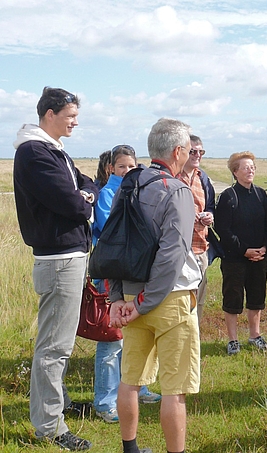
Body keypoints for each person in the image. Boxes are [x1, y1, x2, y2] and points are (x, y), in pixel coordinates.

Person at [109, 118, 201, 453]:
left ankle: (130, 449)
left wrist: (118, 298)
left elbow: (112, 243)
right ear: (178, 151)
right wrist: (144, 302)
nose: (191, 156)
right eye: (189, 151)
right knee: (173, 389)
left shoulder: (129, 184)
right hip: (169, 298)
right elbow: (171, 256)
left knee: (130, 379)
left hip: (131, 295)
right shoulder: (177, 191)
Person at [13, 87, 96, 450]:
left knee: (57, 343)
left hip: (68, 255)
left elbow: (87, 186)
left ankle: (57, 404)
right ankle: (50, 427)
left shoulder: (52, 151)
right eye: (70, 116)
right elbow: (72, 203)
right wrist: (82, 199)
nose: (75, 122)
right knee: (54, 347)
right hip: (58, 259)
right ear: (50, 114)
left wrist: (83, 196)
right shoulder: (34, 153)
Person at [91, 145, 161, 424]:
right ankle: (105, 400)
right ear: (111, 169)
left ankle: (138, 386)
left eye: (131, 166)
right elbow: (117, 230)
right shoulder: (108, 194)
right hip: (113, 275)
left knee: (136, 335)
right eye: (122, 166)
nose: (127, 171)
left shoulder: (139, 190)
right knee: (111, 341)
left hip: (135, 273)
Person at [214, 152, 267, 355]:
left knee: (257, 297)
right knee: (233, 298)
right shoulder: (227, 197)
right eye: (246, 167)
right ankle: (233, 340)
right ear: (235, 172)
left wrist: (264, 248)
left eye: (253, 167)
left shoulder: (260, 194)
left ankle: (255, 335)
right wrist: (244, 251)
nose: (251, 170)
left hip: (259, 256)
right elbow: (223, 229)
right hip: (234, 258)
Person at [176, 134, 216, 322]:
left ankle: (194, 342)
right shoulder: (173, 176)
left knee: (199, 298)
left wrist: (210, 215)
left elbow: (210, 206)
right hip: (178, 250)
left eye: (201, 151)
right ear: (182, 151)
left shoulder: (203, 178)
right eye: (193, 151)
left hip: (201, 249)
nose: (197, 155)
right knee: (179, 299)